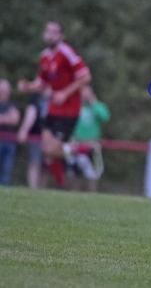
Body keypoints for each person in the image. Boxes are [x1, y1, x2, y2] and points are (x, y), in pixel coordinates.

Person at [18, 21, 91, 188]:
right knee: (46, 151)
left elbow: (86, 77)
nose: (50, 35)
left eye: (54, 32)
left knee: (51, 151)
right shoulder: (44, 56)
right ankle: (61, 186)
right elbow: (41, 83)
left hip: (69, 109)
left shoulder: (67, 53)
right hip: (53, 108)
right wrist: (28, 86)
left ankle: (80, 150)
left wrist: (65, 93)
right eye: (48, 31)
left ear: (61, 36)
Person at [66, 86, 110, 192]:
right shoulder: (74, 106)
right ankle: (74, 194)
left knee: (93, 174)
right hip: (76, 144)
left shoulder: (98, 106)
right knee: (74, 172)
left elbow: (105, 117)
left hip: (92, 145)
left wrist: (93, 103)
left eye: (87, 92)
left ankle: (92, 195)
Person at [16, 93, 48, 188]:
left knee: (46, 165)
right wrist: (24, 130)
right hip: (35, 135)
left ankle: (42, 188)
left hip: (50, 136)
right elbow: (30, 115)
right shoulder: (35, 99)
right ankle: (33, 187)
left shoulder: (54, 95)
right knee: (34, 162)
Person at [0, 79, 21, 185]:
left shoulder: (12, 104)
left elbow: (15, 119)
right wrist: (7, 117)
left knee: (7, 168)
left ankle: (4, 188)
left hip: (10, 141)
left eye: (5, 90)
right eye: (1, 90)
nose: (3, 92)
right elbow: (11, 118)